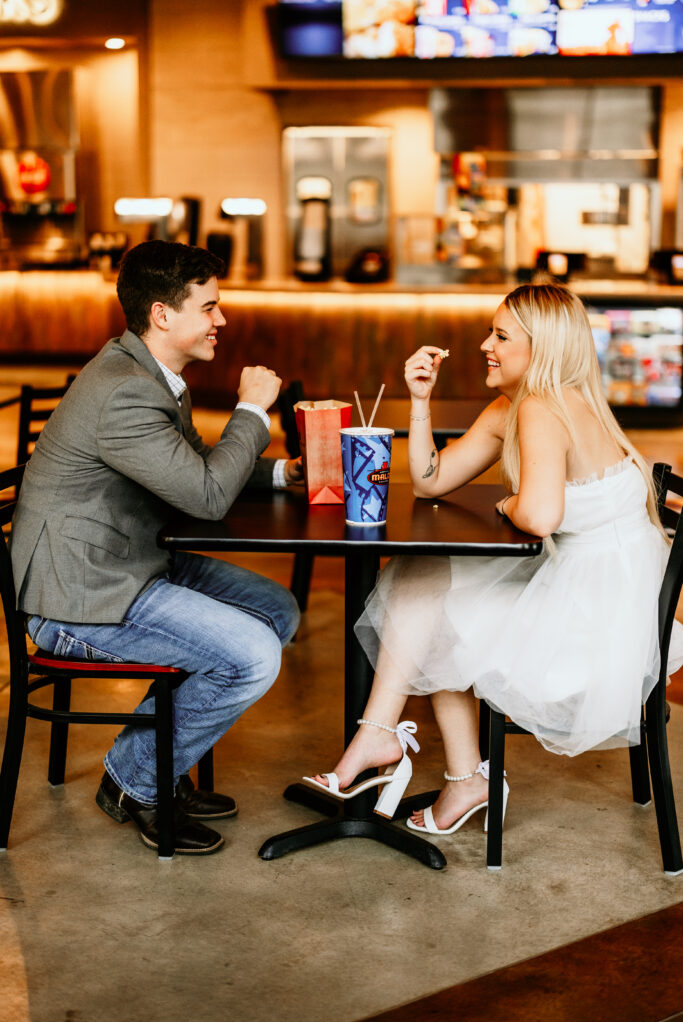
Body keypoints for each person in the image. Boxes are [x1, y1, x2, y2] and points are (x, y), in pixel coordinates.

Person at [304, 282, 683, 836]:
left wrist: (509, 501)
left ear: (542, 348)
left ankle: (407, 750)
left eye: (501, 336)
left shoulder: (540, 410)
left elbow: (540, 516)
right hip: (600, 590)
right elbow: (432, 481)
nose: (486, 344)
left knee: (431, 609)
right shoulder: (522, 406)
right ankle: (413, 754)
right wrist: (420, 401)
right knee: (422, 582)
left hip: (598, 623)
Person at [11, 239, 302, 856]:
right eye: (210, 307)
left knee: (278, 611)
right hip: (79, 595)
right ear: (163, 315)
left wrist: (279, 475)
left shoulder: (150, 373)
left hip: (127, 562)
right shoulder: (126, 388)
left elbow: (192, 465)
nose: (222, 319)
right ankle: (137, 778)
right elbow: (205, 496)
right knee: (252, 653)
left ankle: (156, 760)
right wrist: (252, 409)